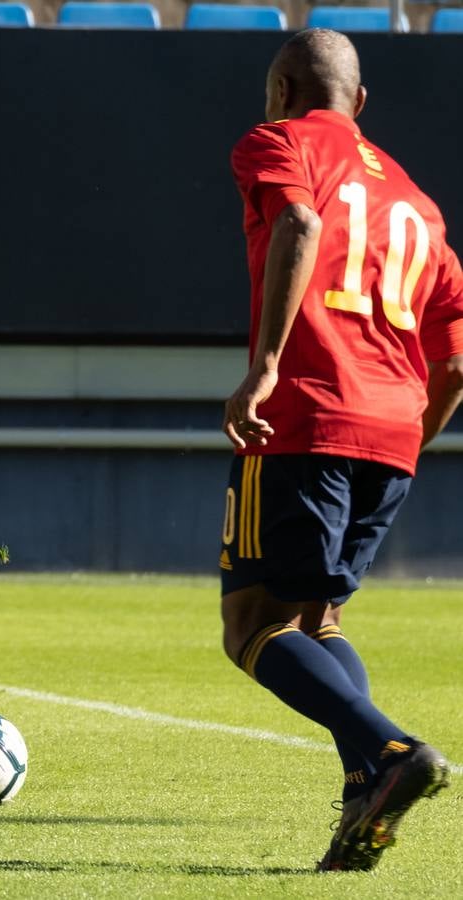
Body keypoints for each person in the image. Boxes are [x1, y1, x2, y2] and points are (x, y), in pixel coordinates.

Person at [220, 30, 463, 871]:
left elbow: (296, 218)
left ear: (281, 88)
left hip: (303, 419)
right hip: (392, 429)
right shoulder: (420, 203)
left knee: (252, 623)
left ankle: (391, 753)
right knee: (320, 618)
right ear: (360, 104)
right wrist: (408, 439)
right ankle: (368, 783)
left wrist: (266, 369)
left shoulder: (276, 143)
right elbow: (457, 357)